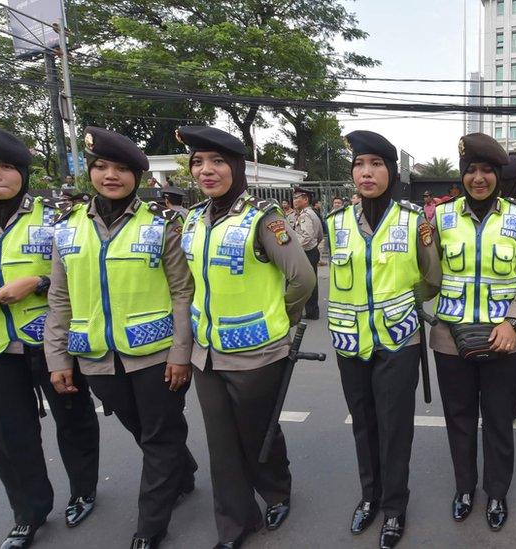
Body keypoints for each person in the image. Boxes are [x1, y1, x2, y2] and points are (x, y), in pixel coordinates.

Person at [44, 127, 196, 549]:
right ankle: (183, 473)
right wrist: (57, 359)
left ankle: (150, 527)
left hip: (156, 354)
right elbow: (59, 297)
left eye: (122, 169)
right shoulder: (67, 228)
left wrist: (181, 353)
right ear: (89, 172)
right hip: (96, 358)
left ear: (138, 178)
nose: (111, 175)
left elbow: (184, 292)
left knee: (159, 436)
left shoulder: (161, 226)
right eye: (102, 167)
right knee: (142, 430)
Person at [176, 125, 316, 548]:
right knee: (222, 445)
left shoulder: (264, 219)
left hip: (258, 354)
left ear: (235, 167)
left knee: (259, 433)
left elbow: (302, 278)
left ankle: (276, 490)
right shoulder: (193, 219)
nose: (207, 170)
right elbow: (187, 285)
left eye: (217, 161)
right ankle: (236, 524)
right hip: (207, 353)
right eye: (198, 162)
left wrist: (282, 317)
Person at [0, 124, 100, 549]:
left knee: (74, 418)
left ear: (23, 174)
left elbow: (80, 275)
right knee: (9, 432)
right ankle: (28, 512)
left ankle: (83, 490)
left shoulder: (57, 219)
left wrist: (37, 281)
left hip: (49, 340)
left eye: (5, 167)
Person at [328, 130, 440, 549]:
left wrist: (404, 304)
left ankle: (394, 507)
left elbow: (431, 279)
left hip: (398, 341)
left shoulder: (414, 221)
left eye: (375, 164)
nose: (366, 172)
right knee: (364, 423)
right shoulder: (335, 223)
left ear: (391, 172)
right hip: (349, 341)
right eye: (359, 164)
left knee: (395, 428)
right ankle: (369, 496)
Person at [431, 133, 516, 533]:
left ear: (497, 175)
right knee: (458, 419)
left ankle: (496, 492)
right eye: (471, 170)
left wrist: (513, 322)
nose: (479, 178)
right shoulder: (439, 218)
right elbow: (426, 275)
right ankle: (465, 488)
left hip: (504, 339)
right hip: (449, 339)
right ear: (462, 176)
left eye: (486, 171)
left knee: (497, 420)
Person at [291, 188, 324, 320]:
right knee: (311, 281)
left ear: (305, 200)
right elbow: (320, 234)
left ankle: (301, 312)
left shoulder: (305, 215)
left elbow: (307, 236)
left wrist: (294, 247)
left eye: (297, 198)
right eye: (294, 198)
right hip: (312, 250)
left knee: (300, 282)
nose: (294, 201)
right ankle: (312, 311)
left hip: (305, 252)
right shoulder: (312, 213)